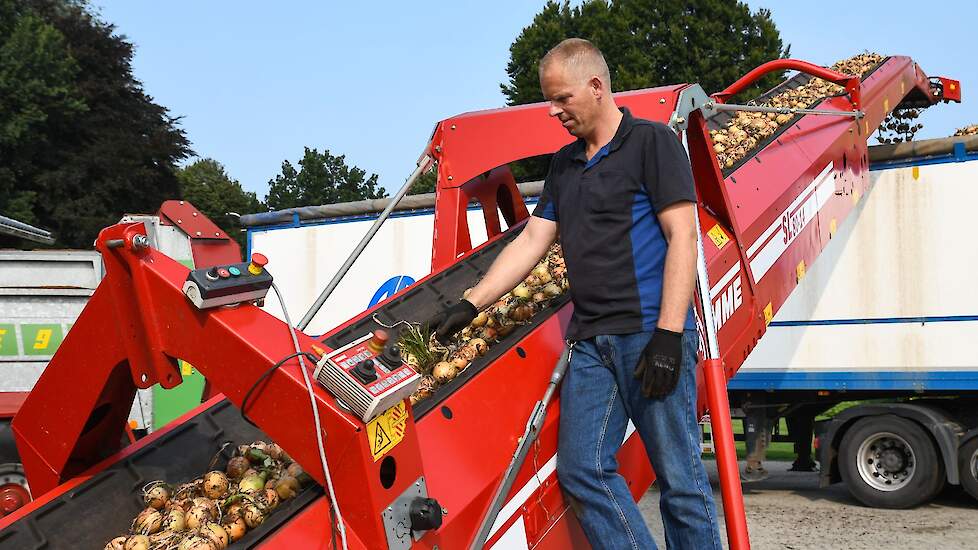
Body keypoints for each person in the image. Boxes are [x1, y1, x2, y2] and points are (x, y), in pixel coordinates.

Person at [428, 38, 721, 549]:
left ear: (596, 86)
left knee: (680, 479)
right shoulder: (565, 166)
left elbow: (683, 237)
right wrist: (470, 304)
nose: (553, 110)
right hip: (592, 344)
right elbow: (532, 242)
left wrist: (669, 335)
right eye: (549, 99)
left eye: (562, 98)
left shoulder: (652, 144)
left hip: (650, 331)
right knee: (583, 471)